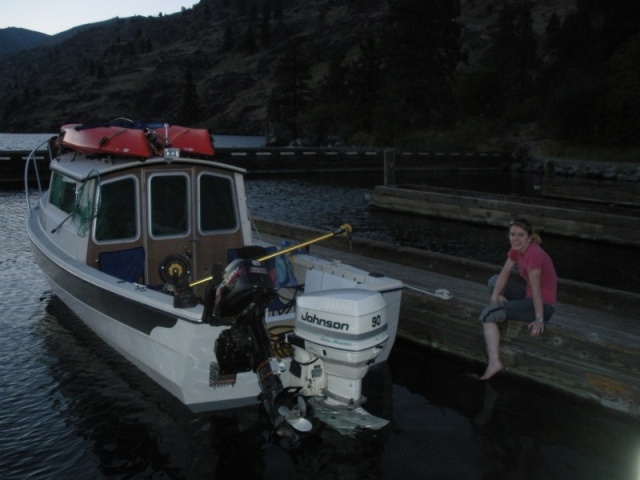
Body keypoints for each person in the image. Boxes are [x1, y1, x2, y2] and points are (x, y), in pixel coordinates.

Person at [478, 218, 557, 380]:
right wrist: (494, 297)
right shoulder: (516, 249)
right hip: (528, 296)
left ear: (529, 237)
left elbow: (536, 290)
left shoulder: (534, 254)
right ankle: (505, 308)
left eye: (521, 235)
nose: (516, 238)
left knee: (487, 314)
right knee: (494, 281)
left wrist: (539, 319)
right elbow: (505, 273)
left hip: (543, 304)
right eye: (513, 234)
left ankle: (494, 362)